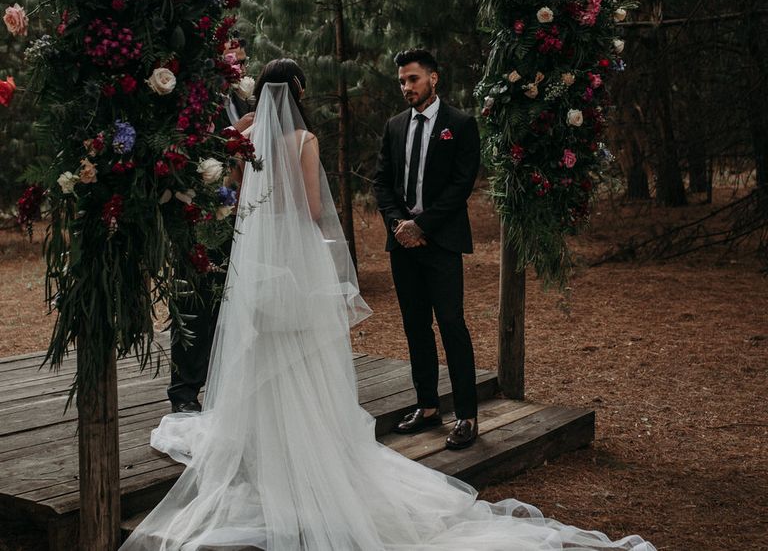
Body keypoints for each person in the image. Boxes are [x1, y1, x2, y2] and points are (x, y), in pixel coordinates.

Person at [121, 59, 655, 551]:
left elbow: (238, 190)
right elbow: (311, 207)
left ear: (259, 93)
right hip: (296, 255)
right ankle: (311, 449)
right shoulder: (303, 139)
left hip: (256, 258)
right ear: (300, 93)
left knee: (258, 348)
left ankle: (264, 452)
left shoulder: (243, 134)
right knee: (304, 353)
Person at [373, 49, 480, 450]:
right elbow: (382, 182)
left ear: (433, 78)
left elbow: (461, 185)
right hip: (403, 243)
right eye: (402, 81)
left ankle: (467, 416)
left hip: (442, 242)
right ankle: (428, 406)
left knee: (452, 324)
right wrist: (400, 225)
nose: (406, 87)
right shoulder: (395, 125)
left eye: (413, 79)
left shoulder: (460, 124)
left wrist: (423, 225)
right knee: (415, 327)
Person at [166, 40, 255, 413]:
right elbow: (184, 151)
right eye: (236, 62)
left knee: (224, 305)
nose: (241, 70)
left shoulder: (243, 102)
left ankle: (219, 385)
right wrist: (234, 132)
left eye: (244, 64)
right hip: (196, 217)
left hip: (234, 217)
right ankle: (184, 391)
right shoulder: (194, 102)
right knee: (191, 302)